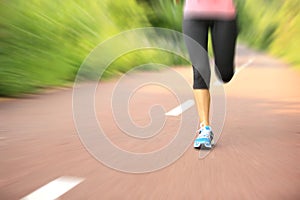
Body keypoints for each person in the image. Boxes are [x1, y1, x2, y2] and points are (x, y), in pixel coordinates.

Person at [178, 0, 238, 149]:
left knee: (225, 73)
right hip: (193, 15)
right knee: (200, 70)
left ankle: (225, 68)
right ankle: (205, 128)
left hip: (224, 14)